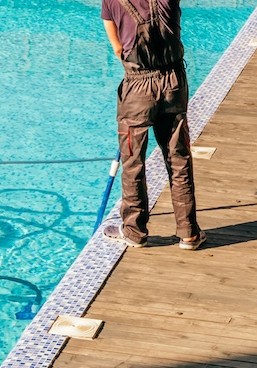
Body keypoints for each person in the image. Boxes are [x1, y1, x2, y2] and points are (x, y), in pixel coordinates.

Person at [101, 0, 206, 250]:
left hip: (137, 88)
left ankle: (135, 231)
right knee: (178, 157)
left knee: (132, 160)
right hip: (173, 82)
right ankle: (188, 232)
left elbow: (117, 46)